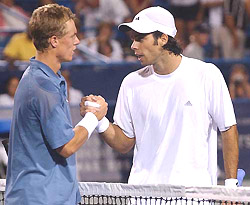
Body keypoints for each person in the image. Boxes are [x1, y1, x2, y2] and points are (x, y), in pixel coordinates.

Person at [81, 6, 239, 187]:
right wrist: (100, 121)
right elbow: (124, 143)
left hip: (194, 195)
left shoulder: (206, 74)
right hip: (144, 195)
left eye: (140, 38)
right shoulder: (131, 83)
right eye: (133, 39)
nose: (133, 46)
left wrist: (230, 184)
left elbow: (228, 129)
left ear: (163, 38)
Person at [4, 4, 108, 205]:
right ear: (54, 40)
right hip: (40, 199)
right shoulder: (43, 86)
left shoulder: (47, 80)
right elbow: (67, 146)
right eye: (72, 36)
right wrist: (93, 117)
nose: (77, 41)